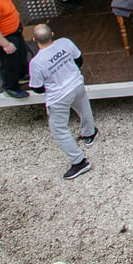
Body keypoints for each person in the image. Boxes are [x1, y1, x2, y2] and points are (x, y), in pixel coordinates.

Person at [28, 23, 97, 180]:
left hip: (59, 96)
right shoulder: (65, 42)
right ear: (52, 34)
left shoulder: (36, 62)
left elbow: (37, 88)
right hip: (77, 84)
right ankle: (90, 133)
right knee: (84, 109)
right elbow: (79, 60)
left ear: (34, 40)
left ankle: (79, 162)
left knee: (59, 129)